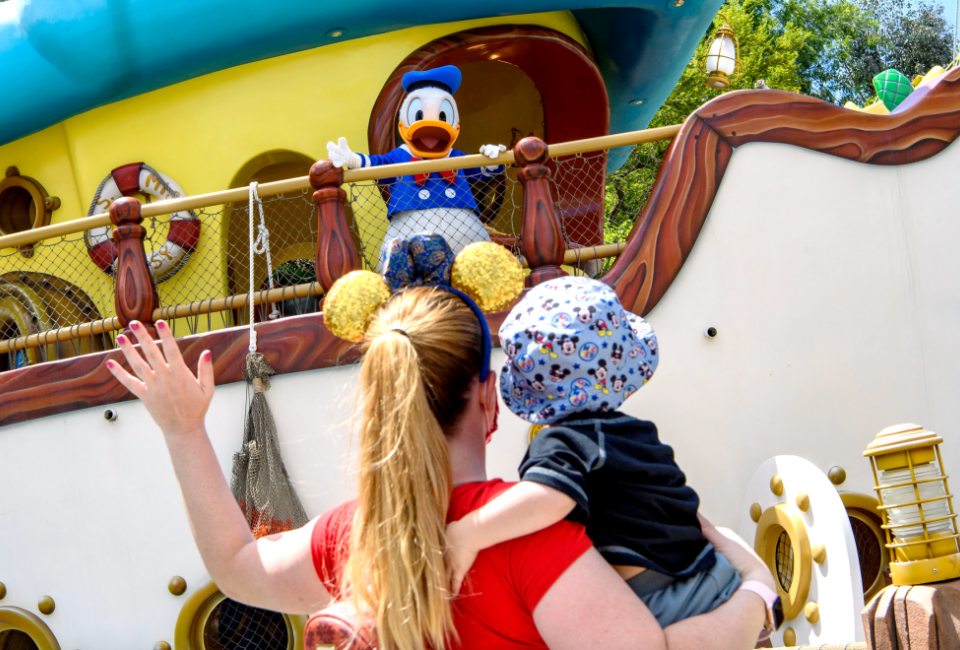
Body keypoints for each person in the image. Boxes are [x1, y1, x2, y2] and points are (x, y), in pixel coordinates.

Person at [106, 287, 773, 650]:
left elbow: (235, 566)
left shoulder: (357, 539)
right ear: (489, 400)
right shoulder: (533, 538)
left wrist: (182, 430)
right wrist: (758, 596)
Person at [447, 276, 754, 630]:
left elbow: (548, 499)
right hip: (708, 574)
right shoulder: (633, 432)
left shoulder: (564, 443)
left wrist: (468, 532)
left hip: (660, 598)